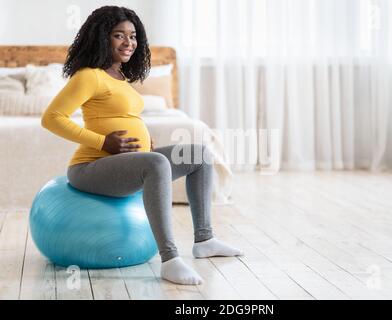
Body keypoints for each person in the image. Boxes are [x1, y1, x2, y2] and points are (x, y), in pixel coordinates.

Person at [41, 5, 242, 285]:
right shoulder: (89, 75)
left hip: (129, 164)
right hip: (90, 167)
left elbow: (122, 116)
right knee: (157, 162)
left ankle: (205, 239)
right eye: (119, 35)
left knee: (200, 154)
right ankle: (170, 259)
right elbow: (51, 118)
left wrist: (145, 138)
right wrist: (103, 141)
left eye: (133, 36)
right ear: (102, 37)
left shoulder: (122, 77)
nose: (129, 43)